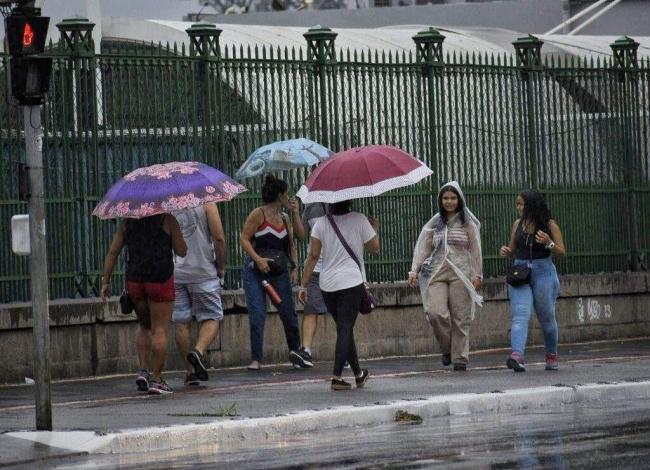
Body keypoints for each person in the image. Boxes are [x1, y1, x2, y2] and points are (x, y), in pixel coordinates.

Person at [101, 214, 187, 394]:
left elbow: (112, 252)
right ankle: (156, 379)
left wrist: (106, 282)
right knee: (160, 330)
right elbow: (182, 250)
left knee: (144, 325)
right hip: (160, 280)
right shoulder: (167, 220)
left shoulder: (128, 221)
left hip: (135, 281)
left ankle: (142, 371)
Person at [299, 200, 379, 390]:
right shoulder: (360, 219)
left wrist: (303, 285)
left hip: (327, 284)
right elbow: (375, 248)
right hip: (352, 281)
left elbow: (313, 256)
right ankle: (336, 376)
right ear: (350, 201)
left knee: (344, 328)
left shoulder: (320, 223)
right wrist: (374, 228)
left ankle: (359, 374)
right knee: (345, 327)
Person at [408, 181, 483, 372]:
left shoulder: (468, 223)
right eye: (445, 198)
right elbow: (424, 248)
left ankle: (460, 359)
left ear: (459, 199)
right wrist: (414, 270)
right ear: (440, 200)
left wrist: (477, 274)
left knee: (460, 316)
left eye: (453, 197)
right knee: (435, 313)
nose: (449, 201)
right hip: (436, 272)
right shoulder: (436, 223)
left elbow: (476, 250)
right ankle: (447, 349)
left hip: (461, 272)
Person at [240, 175, 310, 371]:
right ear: (280, 196)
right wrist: (258, 259)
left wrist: (294, 266)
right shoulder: (258, 214)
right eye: (286, 194)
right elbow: (244, 239)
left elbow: (297, 239)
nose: (289, 197)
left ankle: (295, 352)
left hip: (279, 271)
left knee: (288, 312)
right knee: (257, 313)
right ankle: (256, 358)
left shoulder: (285, 218)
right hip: (256, 271)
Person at [499, 190, 566, 372]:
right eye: (517, 204)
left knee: (546, 317)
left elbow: (561, 252)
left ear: (532, 205)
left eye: (521, 204)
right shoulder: (517, 225)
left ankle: (551, 354)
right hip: (520, 272)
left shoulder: (549, 225)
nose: (518, 208)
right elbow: (513, 249)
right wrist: (507, 251)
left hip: (543, 272)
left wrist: (549, 242)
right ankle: (517, 355)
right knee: (520, 313)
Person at [172, 203, 226, 386]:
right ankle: (198, 351)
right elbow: (219, 238)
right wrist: (221, 266)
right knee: (212, 316)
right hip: (203, 271)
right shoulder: (207, 202)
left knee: (181, 321)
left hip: (176, 272)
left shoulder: (168, 203)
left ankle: (190, 371)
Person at [292, 201, 329, 366]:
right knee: (311, 309)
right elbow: (302, 235)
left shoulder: (341, 202)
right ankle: (305, 351)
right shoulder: (311, 206)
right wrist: (295, 213)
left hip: (336, 268)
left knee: (340, 315)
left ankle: (347, 353)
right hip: (315, 268)